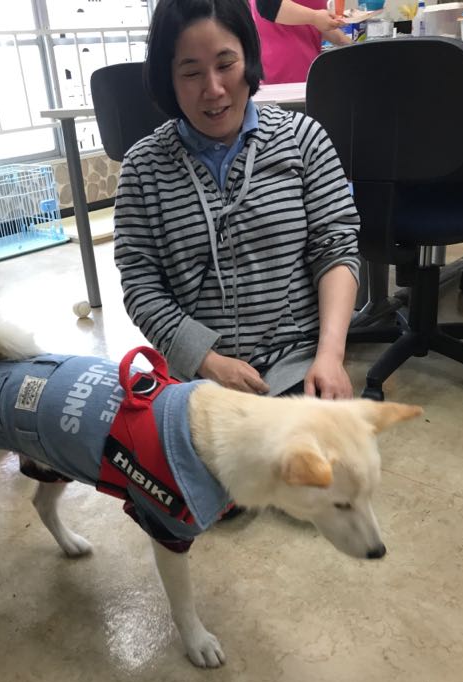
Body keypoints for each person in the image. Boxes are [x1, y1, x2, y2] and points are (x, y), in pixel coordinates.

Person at [114, 0, 360, 399]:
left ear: (250, 59)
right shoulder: (143, 168)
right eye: (191, 72)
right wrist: (208, 361)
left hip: (298, 362)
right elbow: (141, 284)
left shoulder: (303, 139)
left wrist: (330, 356)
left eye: (226, 64)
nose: (213, 89)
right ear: (167, 78)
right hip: (196, 378)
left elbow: (336, 249)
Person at [250, 0, 352, 84]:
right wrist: (315, 17)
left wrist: (348, 43)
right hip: (284, 68)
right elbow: (267, 4)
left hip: (307, 66)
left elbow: (312, 24)